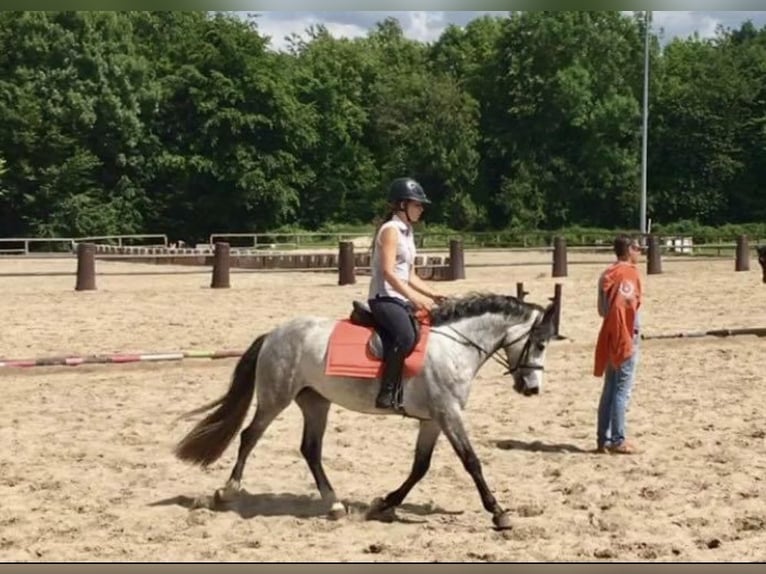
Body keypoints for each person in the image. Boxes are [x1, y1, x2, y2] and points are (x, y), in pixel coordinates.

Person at [368, 177, 446, 412]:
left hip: (400, 296)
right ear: (402, 205)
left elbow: (410, 275)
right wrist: (414, 298)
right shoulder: (390, 231)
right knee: (405, 336)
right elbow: (389, 273)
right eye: (417, 204)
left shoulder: (408, 232)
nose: (421, 209)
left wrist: (434, 295)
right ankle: (387, 392)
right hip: (384, 298)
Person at [593, 234, 643, 454]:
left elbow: (603, 310)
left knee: (610, 388)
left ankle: (602, 438)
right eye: (638, 248)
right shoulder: (628, 274)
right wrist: (627, 336)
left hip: (609, 334)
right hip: (624, 335)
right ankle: (618, 438)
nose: (640, 251)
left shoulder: (607, 274)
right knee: (622, 390)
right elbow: (624, 307)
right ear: (628, 249)